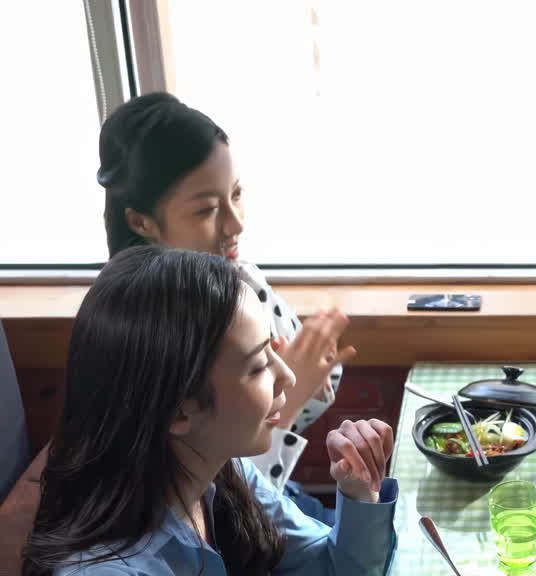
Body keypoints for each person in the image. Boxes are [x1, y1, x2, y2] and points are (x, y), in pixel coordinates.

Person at [0, 246, 398, 576]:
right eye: (258, 366)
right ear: (179, 410)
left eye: (274, 352)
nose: (288, 377)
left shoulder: (220, 476)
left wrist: (359, 491)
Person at [97, 91, 352, 523]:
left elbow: (301, 395)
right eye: (207, 210)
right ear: (141, 221)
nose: (236, 224)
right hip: (240, 521)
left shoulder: (239, 277)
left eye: (236, 195)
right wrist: (289, 401)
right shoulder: (145, 333)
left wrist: (309, 374)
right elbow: (220, 509)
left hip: (279, 496)